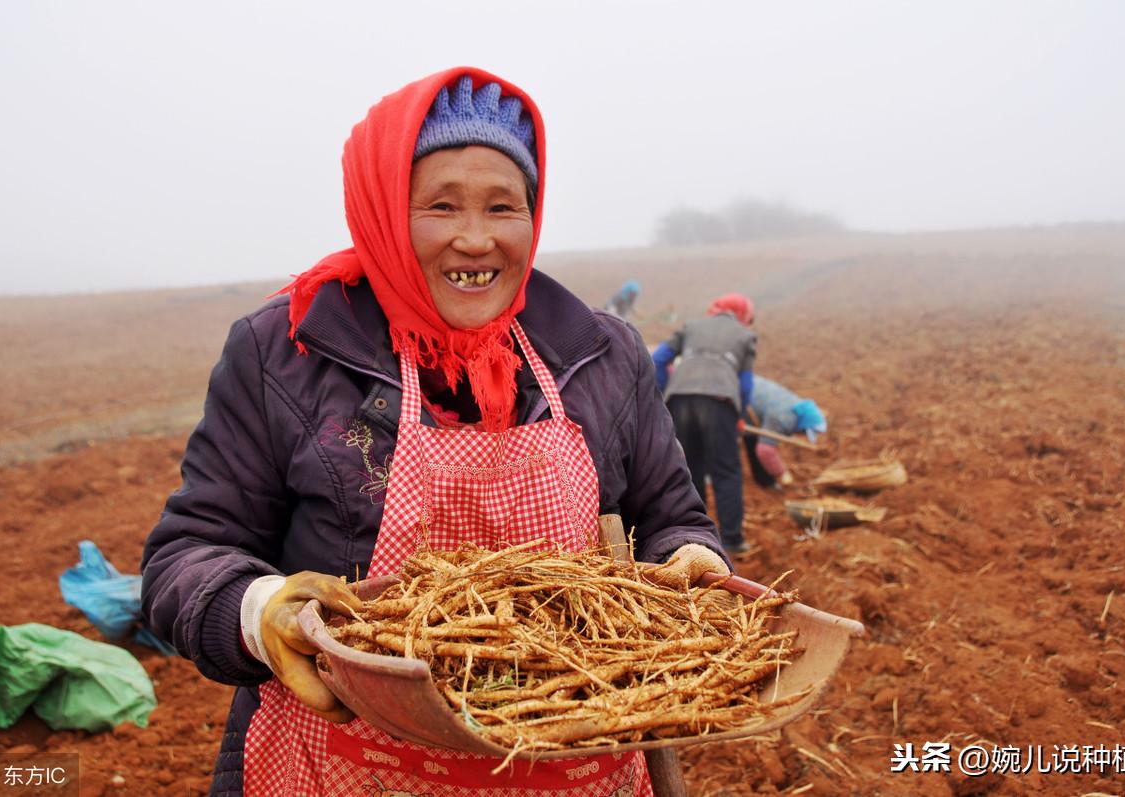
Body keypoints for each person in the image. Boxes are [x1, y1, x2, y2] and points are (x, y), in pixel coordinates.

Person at [140, 67, 731, 797]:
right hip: (346, 771)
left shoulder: (598, 354)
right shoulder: (286, 351)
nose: (476, 239)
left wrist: (695, 561)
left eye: (503, 207)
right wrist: (261, 613)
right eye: (441, 205)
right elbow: (188, 554)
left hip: (571, 766)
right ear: (388, 210)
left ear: (533, 215)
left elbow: (672, 517)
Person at [652, 294, 757, 555]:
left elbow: (657, 359)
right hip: (720, 403)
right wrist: (739, 414)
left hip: (679, 401)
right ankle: (732, 540)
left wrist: (663, 394)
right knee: (726, 471)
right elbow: (745, 384)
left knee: (688, 470)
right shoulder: (744, 336)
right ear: (742, 314)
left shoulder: (691, 327)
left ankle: (697, 539)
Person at [743, 375, 828, 489]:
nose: (802, 435)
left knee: (755, 437)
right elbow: (765, 450)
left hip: (750, 393)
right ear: (803, 426)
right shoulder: (783, 418)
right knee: (749, 441)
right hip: (739, 396)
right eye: (804, 432)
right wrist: (781, 473)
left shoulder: (797, 407)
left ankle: (764, 480)